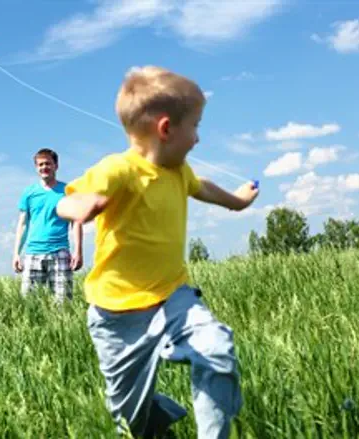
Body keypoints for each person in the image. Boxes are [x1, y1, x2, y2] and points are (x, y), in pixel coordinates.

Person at [56, 66, 259, 438]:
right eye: (195, 126)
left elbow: (206, 189)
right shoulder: (118, 169)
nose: (198, 139)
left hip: (172, 298)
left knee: (216, 349)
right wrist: (81, 207)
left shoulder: (178, 171)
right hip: (116, 317)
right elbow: (65, 203)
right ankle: (157, 421)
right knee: (131, 423)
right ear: (166, 129)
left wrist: (239, 202)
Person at [13, 148, 83, 303]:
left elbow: (76, 222)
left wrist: (78, 252)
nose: (44, 167)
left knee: (63, 303)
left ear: (56, 166)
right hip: (32, 253)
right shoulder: (29, 193)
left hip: (60, 253)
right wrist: (17, 253)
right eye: (40, 164)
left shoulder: (68, 191)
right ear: (36, 168)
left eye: (48, 164)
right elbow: (23, 224)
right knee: (28, 304)